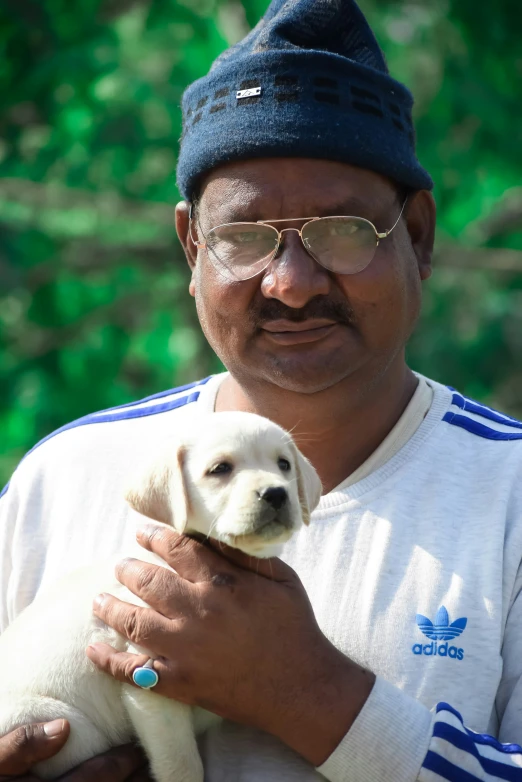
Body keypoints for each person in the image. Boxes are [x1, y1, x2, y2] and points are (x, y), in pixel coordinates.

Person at [2, 0, 522, 780]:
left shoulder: (508, 493)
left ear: (417, 236)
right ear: (190, 247)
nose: (290, 283)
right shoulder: (64, 477)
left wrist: (306, 692)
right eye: (242, 239)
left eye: (344, 230)